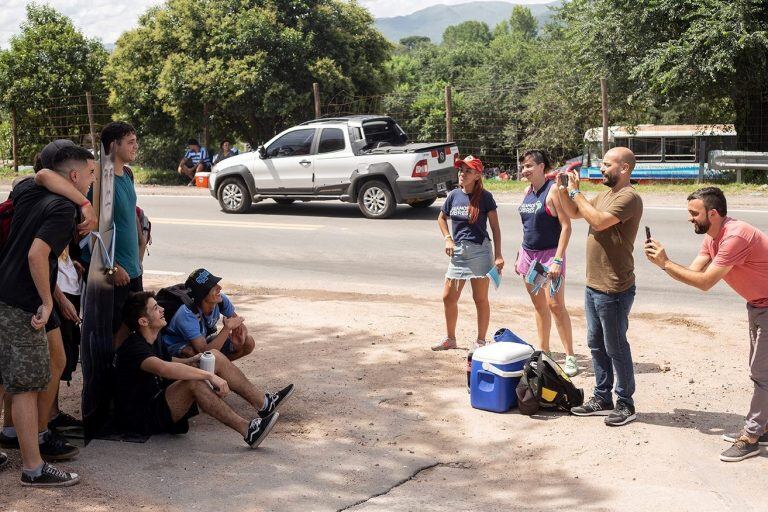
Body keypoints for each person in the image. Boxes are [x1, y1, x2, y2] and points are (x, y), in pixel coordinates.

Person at [645, 187, 768, 462]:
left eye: (694, 213)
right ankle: (764, 426)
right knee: (760, 370)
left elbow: (704, 283)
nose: (689, 218)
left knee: (762, 374)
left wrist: (666, 263)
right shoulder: (714, 238)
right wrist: (662, 263)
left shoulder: (736, 236)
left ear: (713, 213)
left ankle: (751, 437)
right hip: (759, 305)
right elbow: (693, 272)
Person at [0, 142, 95, 487]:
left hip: (3, 293)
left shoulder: (28, 190)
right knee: (26, 386)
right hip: (22, 302)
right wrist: (48, 301)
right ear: (72, 175)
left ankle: (19, 443)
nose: (91, 181)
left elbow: (40, 173)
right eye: (89, 174)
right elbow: (37, 256)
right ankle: (33, 468)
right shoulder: (62, 210)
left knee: (8, 377)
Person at [116, 292, 291, 448]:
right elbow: (164, 368)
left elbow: (167, 360)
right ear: (143, 321)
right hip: (143, 416)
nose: (162, 309)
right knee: (193, 383)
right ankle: (249, 430)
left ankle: (264, 403)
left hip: (160, 396)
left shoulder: (153, 336)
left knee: (212, 355)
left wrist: (192, 360)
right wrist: (209, 376)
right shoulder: (134, 349)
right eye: (155, 308)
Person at [557, 147, 643, 426]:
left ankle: (626, 403)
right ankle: (602, 397)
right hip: (594, 284)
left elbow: (598, 220)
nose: (602, 168)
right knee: (595, 344)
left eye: (607, 164)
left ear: (624, 169)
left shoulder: (629, 197)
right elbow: (574, 212)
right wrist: (565, 189)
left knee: (615, 346)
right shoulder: (605, 193)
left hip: (614, 287)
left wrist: (576, 195)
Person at [515, 150, 578, 377]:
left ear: (542, 167)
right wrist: (520, 255)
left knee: (555, 305)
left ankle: (570, 356)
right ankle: (545, 351)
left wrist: (558, 260)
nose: (525, 171)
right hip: (529, 256)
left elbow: (566, 227)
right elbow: (527, 227)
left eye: (530, 166)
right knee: (539, 306)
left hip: (550, 256)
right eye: (523, 167)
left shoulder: (552, 191)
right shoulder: (526, 192)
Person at [433, 155, 504, 351]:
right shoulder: (454, 195)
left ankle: (480, 341)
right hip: (458, 253)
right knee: (448, 297)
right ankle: (450, 338)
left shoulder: (485, 197)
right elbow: (441, 218)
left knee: (479, 298)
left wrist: (498, 255)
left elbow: (496, 229)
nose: (462, 174)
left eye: (468, 171)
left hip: (480, 252)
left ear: (477, 175)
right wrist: (448, 237)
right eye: (461, 170)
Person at [162, 269, 256, 361]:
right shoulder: (186, 314)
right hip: (175, 346)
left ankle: (216, 370)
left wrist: (239, 342)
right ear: (201, 295)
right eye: (213, 286)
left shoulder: (220, 300)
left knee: (248, 342)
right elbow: (205, 352)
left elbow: (240, 326)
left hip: (201, 340)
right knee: (190, 353)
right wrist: (226, 329)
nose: (219, 287)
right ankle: (209, 371)